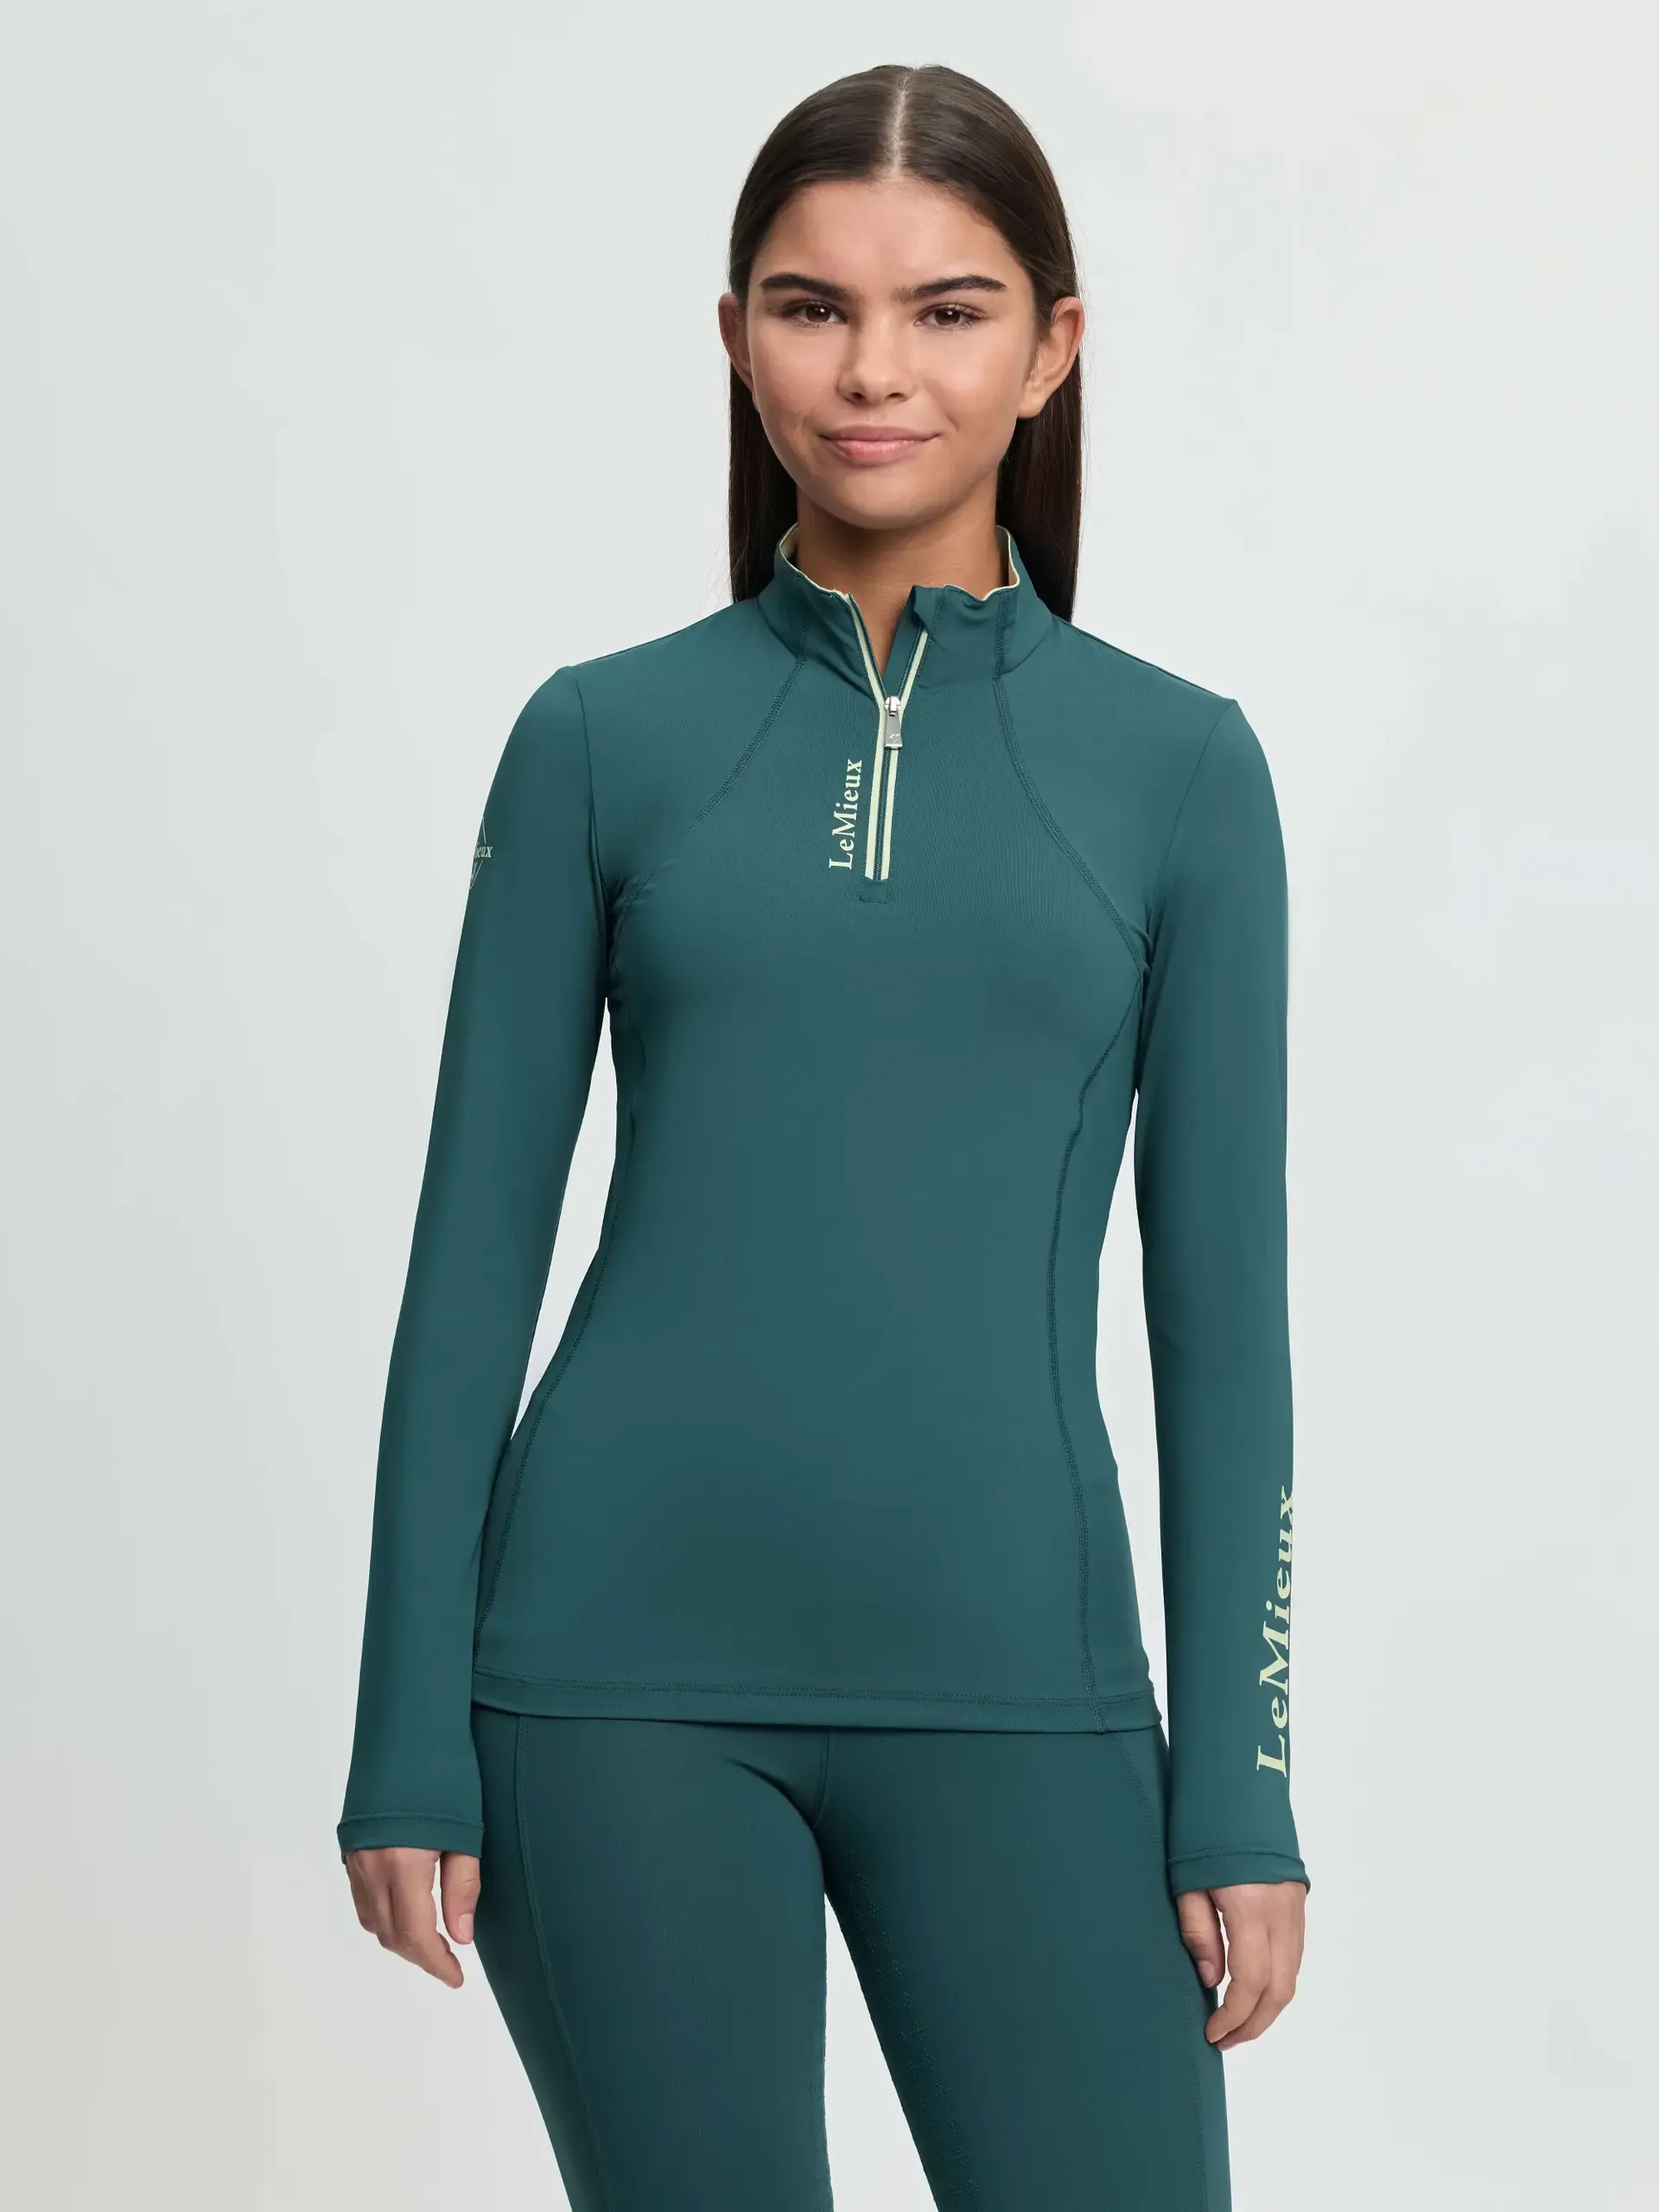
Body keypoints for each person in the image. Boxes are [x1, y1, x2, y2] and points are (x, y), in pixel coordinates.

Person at [337, 59, 1308, 2212]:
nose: (874, 369)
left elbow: (1224, 1328)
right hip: (608, 1687)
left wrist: (1240, 1784)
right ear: (735, 335)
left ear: (1051, 347)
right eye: (812, 305)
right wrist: (405, 1728)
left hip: (1028, 1682)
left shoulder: (1180, 773)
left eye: (948, 309)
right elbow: (467, 1270)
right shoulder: (601, 739)